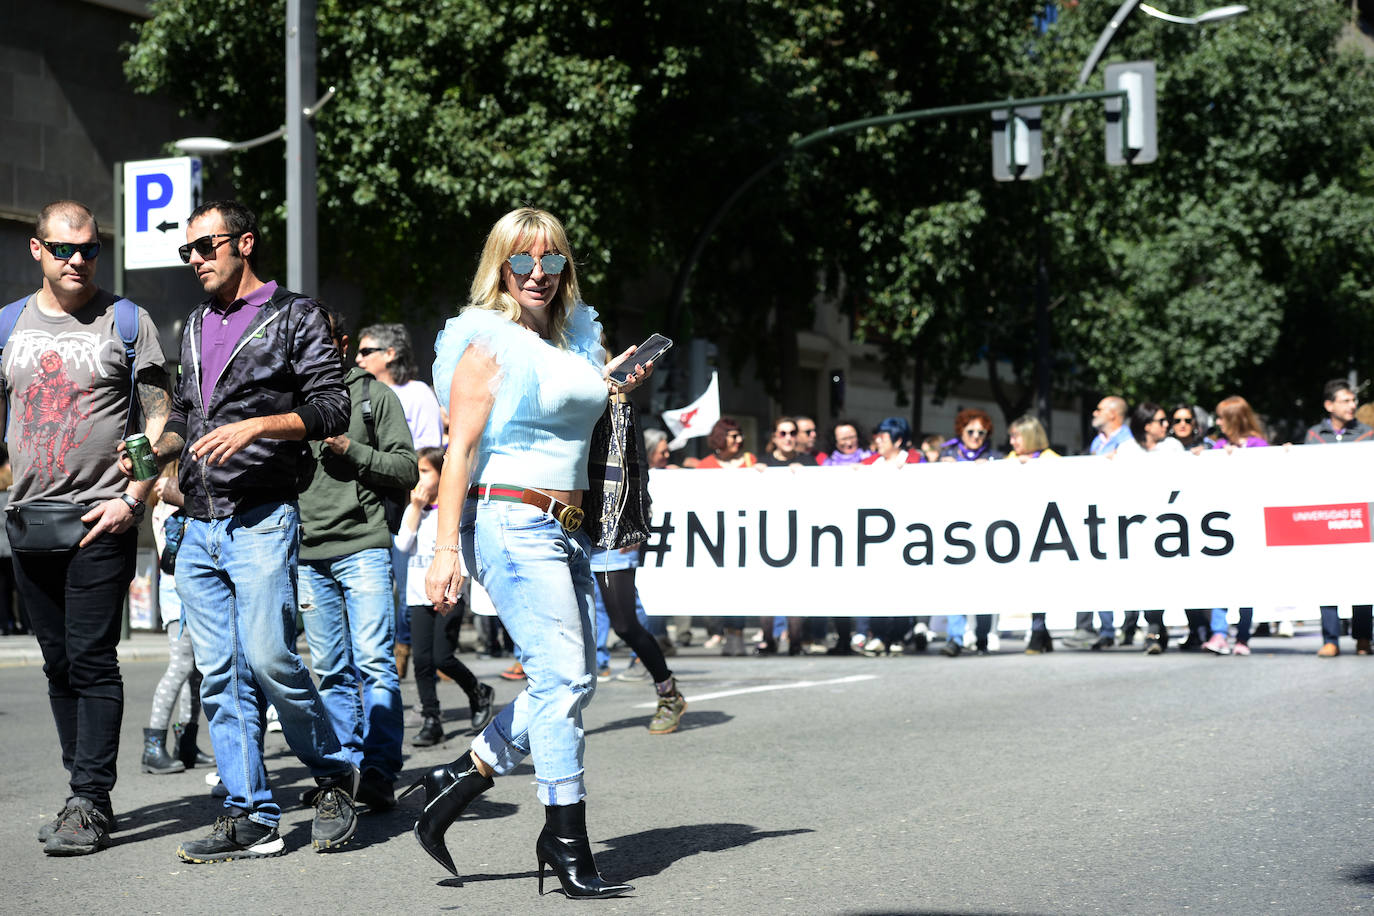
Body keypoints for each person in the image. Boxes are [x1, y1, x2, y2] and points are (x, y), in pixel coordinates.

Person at [411, 207, 649, 897]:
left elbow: (573, 410)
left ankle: (455, 784)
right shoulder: (486, 342)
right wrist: (444, 550)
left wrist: (611, 383)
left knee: (568, 681)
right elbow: (457, 453)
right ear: (500, 268)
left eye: (551, 261)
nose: (538, 275)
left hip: (568, 528)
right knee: (565, 681)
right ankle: (566, 839)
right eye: (522, 262)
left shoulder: (574, 340)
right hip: (513, 524)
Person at [155, 199, 359, 863]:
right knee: (219, 676)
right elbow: (190, 407)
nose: (196, 259)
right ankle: (250, 814)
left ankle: (333, 774)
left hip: (262, 517)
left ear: (244, 243)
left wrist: (260, 425)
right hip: (197, 520)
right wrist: (165, 449)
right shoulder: (192, 323)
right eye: (188, 250)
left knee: (271, 659)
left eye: (206, 246)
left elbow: (333, 406)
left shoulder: (293, 315)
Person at [5, 200, 170, 856]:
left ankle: (90, 800)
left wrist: (133, 496)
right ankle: (83, 790)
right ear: (37, 250)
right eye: (64, 249)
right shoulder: (8, 325)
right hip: (28, 520)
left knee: (94, 660)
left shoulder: (126, 323)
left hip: (101, 517)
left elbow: (156, 416)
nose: (78, 260)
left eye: (90, 249)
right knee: (57, 663)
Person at [297, 304, 420, 813]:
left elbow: (408, 469)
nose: (309, 352)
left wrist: (354, 450)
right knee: (328, 669)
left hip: (364, 546)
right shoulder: (289, 401)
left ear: (342, 346)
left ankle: (379, 771)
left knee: (374, 663)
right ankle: (345, 769)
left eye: (320, 342)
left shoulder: (374, 396)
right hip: (306, 553)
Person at [395, 447, 495, 746]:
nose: (419, 478)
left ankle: (477, 691)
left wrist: (458, 585)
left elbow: (462, 549)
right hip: (418, 594)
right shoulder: (418, 509)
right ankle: (431, 718)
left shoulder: (452, 510)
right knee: (422, 660)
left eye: (425, 471)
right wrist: (414, 505)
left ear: (442, 474)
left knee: (442, 656)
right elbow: (402, 544)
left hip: (448, 592)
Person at [141, 466, 212, 775]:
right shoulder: (170, 500)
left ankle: (186, 743)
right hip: (177, 593)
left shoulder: (168, 499)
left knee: (195, 670)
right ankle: (152, 746)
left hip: (186, 590)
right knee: (181, 665)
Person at [1303, 380, 1373, 657]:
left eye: (1353, 400)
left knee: (1362, 579)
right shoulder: (1314, 436)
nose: (1352, 405)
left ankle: (1363, 637)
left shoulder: (1367, 436)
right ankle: (1330, 638)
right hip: (1325, 518)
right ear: (1329, 405)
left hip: (1359, 517)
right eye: (1345, 401)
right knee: (1328, 578)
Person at [1066, 396, 1133, 649]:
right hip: (1099, 516)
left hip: (1124, 517)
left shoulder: (1128, 441)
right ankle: (1106, 630)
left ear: (1114, 414)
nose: (1094, 412)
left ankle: (1129, 625)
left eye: (1100, 409)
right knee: (1101, 574)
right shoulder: (1097, 443)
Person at [694, 417, 755, 654]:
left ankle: (737, 633)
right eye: (734, 436)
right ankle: (721, 631)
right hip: (713, 535)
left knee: (739, 586)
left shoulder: (750, 462)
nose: (740, 440)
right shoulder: (705, 466)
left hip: (743, 535)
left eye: (740, 435)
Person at [1007, 416, 1060, 654]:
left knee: (1041, 582)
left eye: (1016, 436)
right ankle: (1042, 632)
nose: (1012, 441)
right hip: (1019, 531)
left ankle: (1038, 632)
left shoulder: (1052, 460)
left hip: (1048, 531)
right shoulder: (1010, 460)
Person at [356, 322, 445, 449]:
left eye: (365, 352)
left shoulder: (418, 393)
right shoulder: (359, 393)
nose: (358, 359)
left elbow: (429, 449)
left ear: (389, 354)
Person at [938, 409, 1003, 463]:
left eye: (981, 432)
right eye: (970, 431)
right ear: (961, 431)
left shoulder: (996, 458)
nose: (976, 436)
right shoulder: (945, 455)